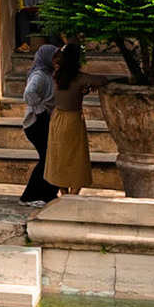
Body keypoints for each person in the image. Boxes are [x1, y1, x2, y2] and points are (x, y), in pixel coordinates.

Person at [43, 43, 103, 195]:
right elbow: (103, 80)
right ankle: (73, 195)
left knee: (58, 157)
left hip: (57, 118)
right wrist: (89, 86)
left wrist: (85, 90)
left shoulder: (56, 76)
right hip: (73, 119)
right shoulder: (80, 78)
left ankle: (64, 194)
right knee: (77, 158)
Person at [19, 45, 61, 204]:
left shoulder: (49, 74)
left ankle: (48, 194)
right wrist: (40, 110)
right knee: (46, 158)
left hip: (46, 120)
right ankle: (29, 196)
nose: (57, 61)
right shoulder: (39, 75)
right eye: (54, 57)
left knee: (52, 158)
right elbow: (29, 93)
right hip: (36, 123)